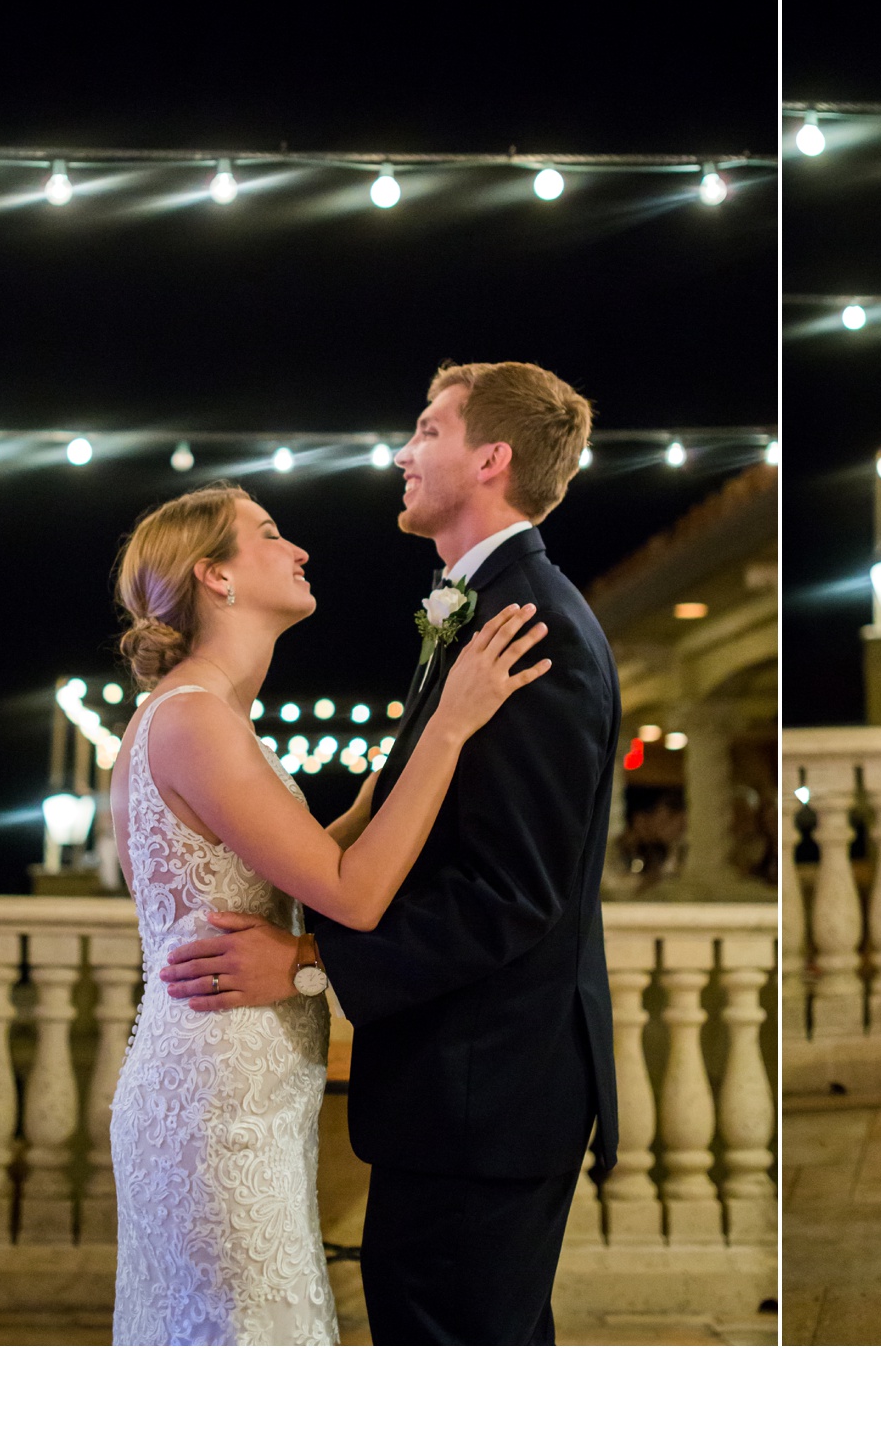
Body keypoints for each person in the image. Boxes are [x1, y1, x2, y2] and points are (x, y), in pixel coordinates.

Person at [159, 361, 622, 1345]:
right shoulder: (470, 614)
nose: (402, 454)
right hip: (455, 1091)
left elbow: (509, 895)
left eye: (427, 431)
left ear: (489, 458)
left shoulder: (526, 630)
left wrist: (306, 958)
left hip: (486, 1095)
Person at [107, 482, 549, 1345]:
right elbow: (349, 890)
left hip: (237, 1085)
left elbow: (304, 858)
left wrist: (407, 752)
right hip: (219, 1097)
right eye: (270, 535)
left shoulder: (204, 713)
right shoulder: (197, 720)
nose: (299, 550)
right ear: (216, 579)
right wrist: (451, 728)